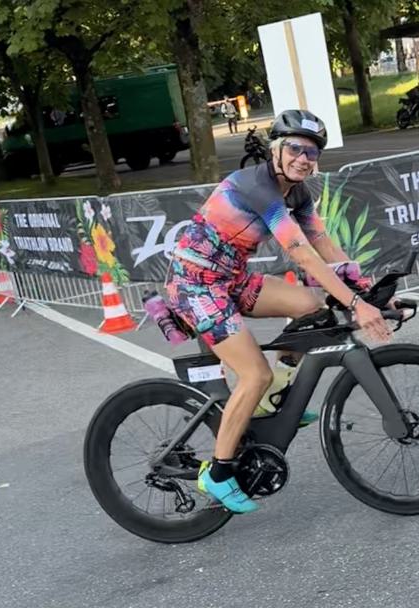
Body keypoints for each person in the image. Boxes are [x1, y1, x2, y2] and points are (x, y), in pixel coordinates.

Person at [166, 109, 391, 513]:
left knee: (310, 306)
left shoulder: (298, 193)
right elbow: (301, 253)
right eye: (296, 149)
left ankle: (271, 401)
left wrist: (368, 292)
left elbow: (323, 243)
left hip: (231, 278)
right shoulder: (257, 186)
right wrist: (356, 305)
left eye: (312, 153)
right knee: (254, 372)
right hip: (196, 284)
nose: (304, 159)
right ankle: (218, 472)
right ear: (275, 150)